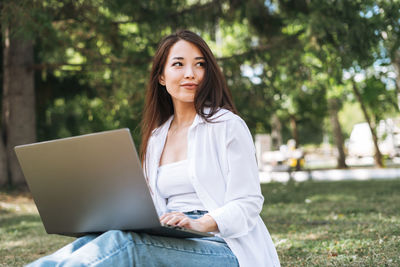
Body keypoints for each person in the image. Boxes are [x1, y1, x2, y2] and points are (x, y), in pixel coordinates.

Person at [28, 30, 280, 267]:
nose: (191, 73)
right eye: (178, 64)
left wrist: (199, 223)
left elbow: (247, 202)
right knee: (95, 241)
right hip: (173, 238)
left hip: (225, 246)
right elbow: (153, 206)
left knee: (125, 245)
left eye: (200, 64)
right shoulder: (156, 137)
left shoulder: (227, 125)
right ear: (161, 76)